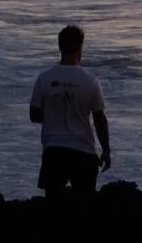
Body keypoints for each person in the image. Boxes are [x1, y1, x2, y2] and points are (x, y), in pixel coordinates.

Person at [29, 24, 110, 202]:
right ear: (80, 47)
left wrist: (53, 114)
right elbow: (99, 120)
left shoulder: (44, 78)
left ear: (60, 47)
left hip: (54, 150)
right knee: (84, 207)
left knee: (53, 205)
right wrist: (106, 150)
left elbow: (34, 114)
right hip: (83, 150)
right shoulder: (90, 81)